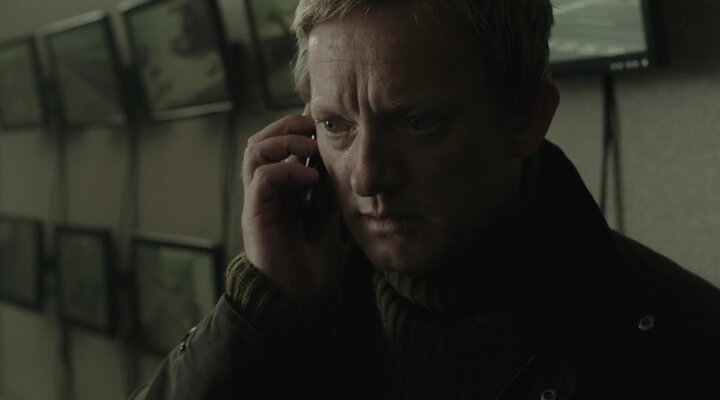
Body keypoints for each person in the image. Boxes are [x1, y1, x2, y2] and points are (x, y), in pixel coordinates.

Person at [130, 0, 720, 399]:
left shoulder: (687, 345)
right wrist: (260, 314)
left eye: (417, 122)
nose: (367, 177)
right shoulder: (287, 311)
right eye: (335, 125)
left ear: (526, 117)